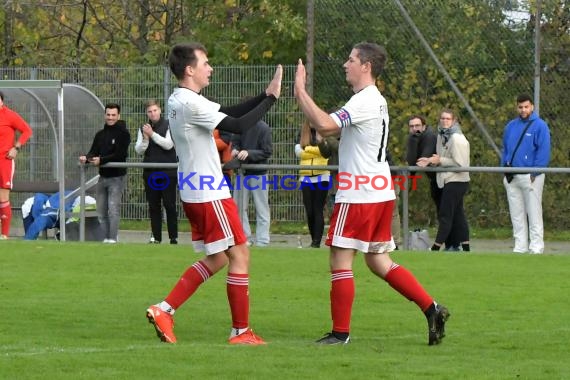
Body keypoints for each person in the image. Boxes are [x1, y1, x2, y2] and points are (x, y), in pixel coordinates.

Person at [294, 42, 449, 346]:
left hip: (359, 193)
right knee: (379, 262)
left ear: (365, 66)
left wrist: (300, 89)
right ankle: (432, 309)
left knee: (340, 258)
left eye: (350, 59)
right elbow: (335, 130)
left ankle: (340, 334)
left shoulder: (364, 100)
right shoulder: (371, 100)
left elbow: (325, 126)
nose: (344, 64)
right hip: (379, 190)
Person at [145, 42, 282, 345]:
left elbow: (228, 112)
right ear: (190, 70)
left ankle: (164, 309)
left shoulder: (179, 98)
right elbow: (237, 123)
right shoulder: (191, 103)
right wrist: (271, 98)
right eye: (205, 63)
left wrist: (264, 94)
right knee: (240, 254)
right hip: (209, 192)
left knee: (219, 258)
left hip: (195, 189)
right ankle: (241, 332)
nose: (211, 68)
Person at [501, 93, 550, 254]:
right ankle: (520, 246)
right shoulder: (510, 126)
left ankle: (536, 247)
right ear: (517, 107)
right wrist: (504, 170)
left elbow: (543, 151)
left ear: (532, 107)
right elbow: (505, 149)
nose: (523, 110)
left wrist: (535, 172)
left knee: (534, 212)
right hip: (512, 175)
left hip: (531, 175)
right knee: (516, 214)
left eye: (526, 107)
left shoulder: (540, 126)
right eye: (520, 107)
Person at [417, 109, 470, 252]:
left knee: (445, 214)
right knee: (458, 214)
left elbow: (461, 163)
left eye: (448, 119)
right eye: (442, 118)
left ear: (454, 121)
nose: (444, 121)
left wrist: (439, 160)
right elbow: (442, 157)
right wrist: (430, 160)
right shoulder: (442, 135)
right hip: (447, 179)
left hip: (457, 180)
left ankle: (436, 247)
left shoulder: (457, 139)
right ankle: (466, 247)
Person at [406, 115, 460, 250]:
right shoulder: (414, 138)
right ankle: (451, 244)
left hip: (446, 178)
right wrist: (413, 141)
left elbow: (421, 161)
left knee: (447, 213)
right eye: (411, 126)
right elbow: (412, 161)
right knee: (443, 212)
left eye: (417, 126)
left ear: (424, 126)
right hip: (435, 180)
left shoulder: (429, 136)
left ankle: (453, 245)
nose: (414, 129)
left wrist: (414, 144)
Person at [79, 103, 131, 244]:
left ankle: (113, 238)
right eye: (108, 115)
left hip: (117, 177)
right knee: (101, 211)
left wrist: (101, 160)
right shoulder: (100, 134)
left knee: (113, 210)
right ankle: (106, 238)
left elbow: (120, 155)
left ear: (118, 116)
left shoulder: (124, 134)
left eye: (113, 115)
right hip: (102, 177)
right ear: (104, 115)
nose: (110, 117)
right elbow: (93, 151)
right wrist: (86, 158)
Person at [135, 99, 178, 245]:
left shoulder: (169, 125)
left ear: (160, 110)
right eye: (149, 111)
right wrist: (146, 139)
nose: (152, 114)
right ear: (146, 113)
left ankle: (173, 237)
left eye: (155, 110)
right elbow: (138, 150)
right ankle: (156, 237)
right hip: (150, 172)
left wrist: (152, 134)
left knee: (169, 204)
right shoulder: (143, 128)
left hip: (168, 171)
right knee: (153, 205)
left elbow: (168, 145)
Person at [231, 118, 273, 247]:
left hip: (259, 174)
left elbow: (267, 151)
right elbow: (235, 144)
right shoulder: (239, 127)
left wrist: (249, 153)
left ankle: (263, 240)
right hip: (242, 173)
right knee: (238, 207)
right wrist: (235, 150)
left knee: (261, 208)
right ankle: (243, 238)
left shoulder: (264, 128)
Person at [0, 91, 33, 240]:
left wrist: (16, 147)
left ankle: (4, 235)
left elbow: (27, 131)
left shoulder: (9, 115)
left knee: (3, 197)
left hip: (4, 161)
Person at [295, 121, 331, 248]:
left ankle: (316, 242)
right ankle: (312, 239)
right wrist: (316, 150)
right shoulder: (302, 132)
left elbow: (326, 152)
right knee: (309, 210)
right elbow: (298, 151)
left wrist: (308, 149)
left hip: (322, 176)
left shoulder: (325, 132)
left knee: (317, 209)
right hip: (306, 178)